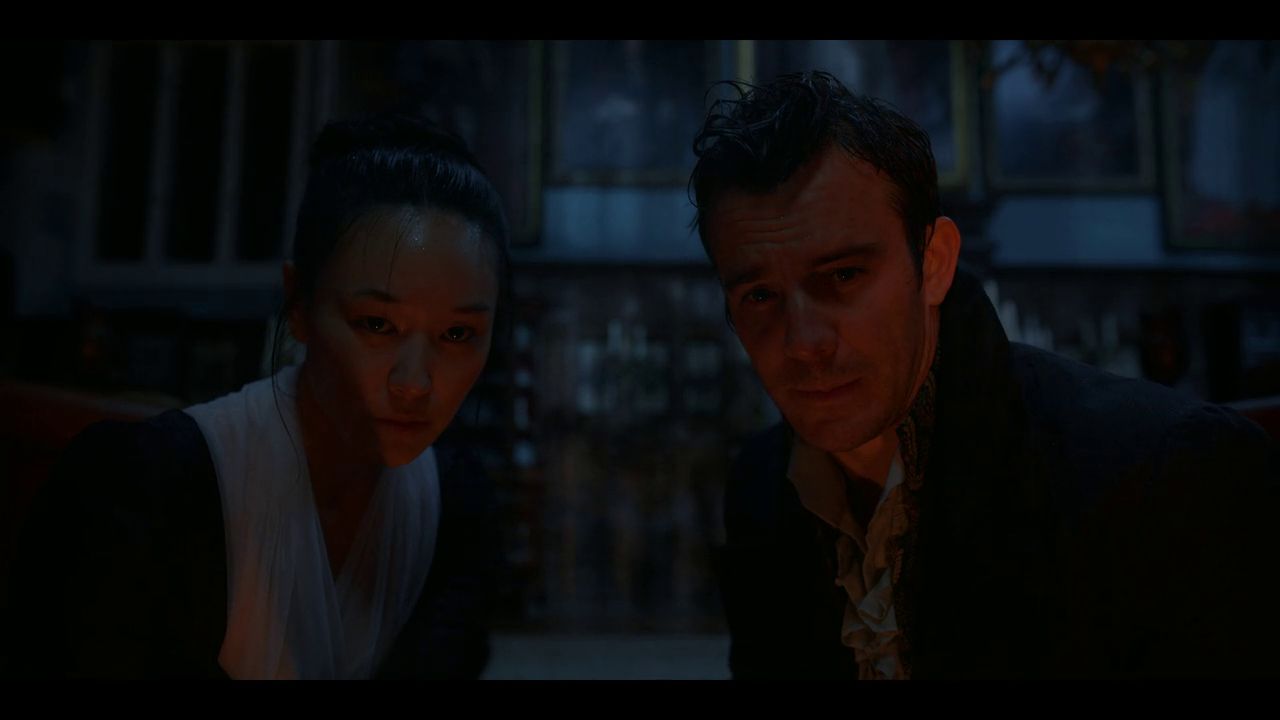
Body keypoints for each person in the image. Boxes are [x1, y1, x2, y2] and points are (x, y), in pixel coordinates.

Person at [689, 71, 1279, 678]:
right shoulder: (761, 486)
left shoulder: (1165, 473)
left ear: (935, 263)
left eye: (843, 276)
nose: (804, 343)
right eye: (761, 296)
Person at [3, 111, 509, 679]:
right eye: (376, 324)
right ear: (299, 305)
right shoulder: (148, 487)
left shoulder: (454, 507)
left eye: (457, 334)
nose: (415, 382)